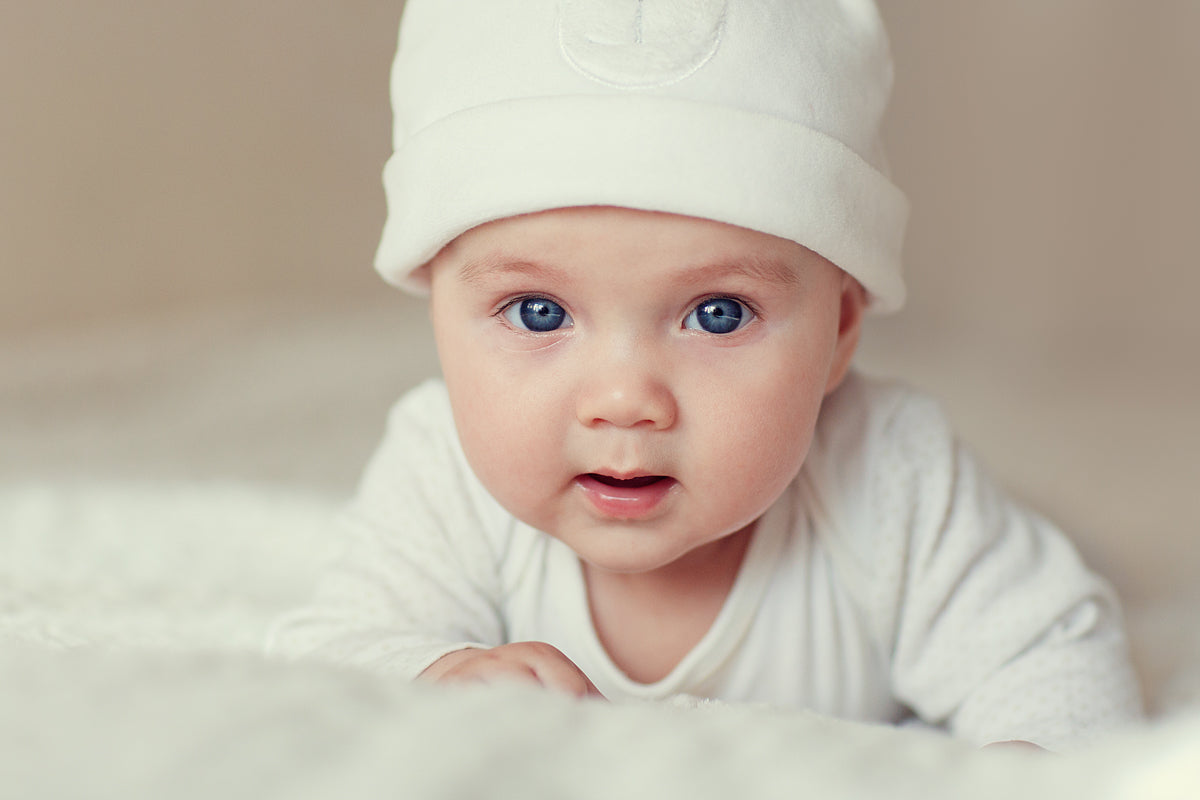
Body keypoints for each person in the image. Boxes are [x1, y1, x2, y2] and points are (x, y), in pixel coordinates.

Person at [268, 0, 1143, 750]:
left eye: (717, 313)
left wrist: (1037, 759)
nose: (624, 401)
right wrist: (433, 674)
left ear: (839, 329)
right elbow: (333, 653)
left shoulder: (892, 473)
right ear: (437, 314)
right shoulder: (441, 472)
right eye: (539, 312)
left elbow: (1051, 659)